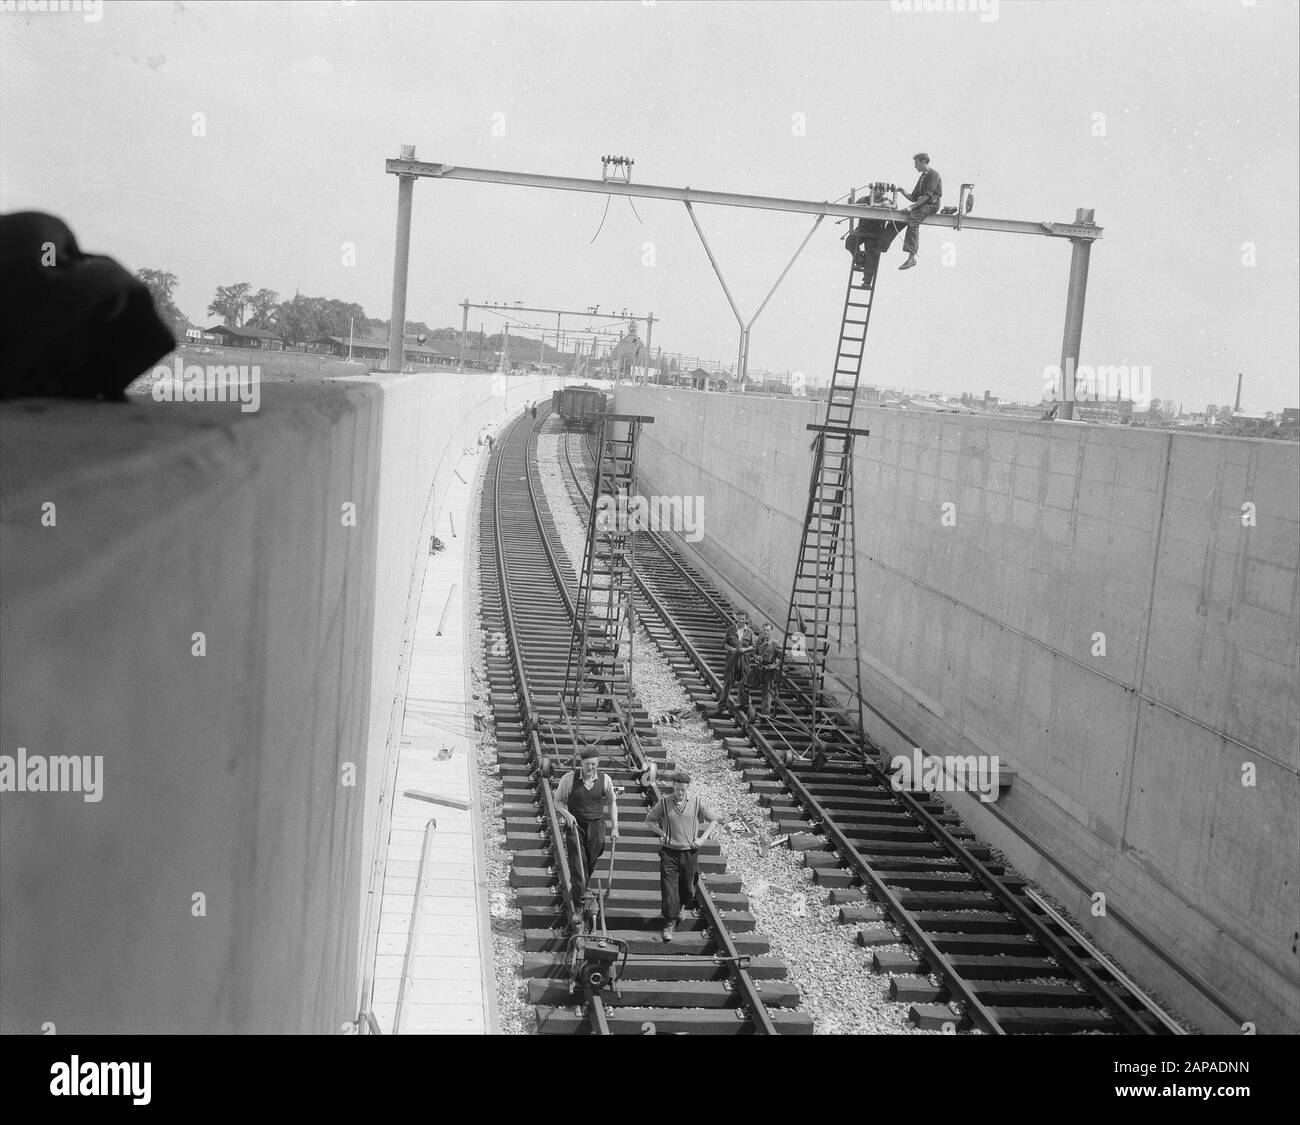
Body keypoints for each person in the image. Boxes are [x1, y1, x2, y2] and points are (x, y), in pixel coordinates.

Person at [644, 772, 717, 942]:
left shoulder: (697, 803)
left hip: (689, 853)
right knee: (669, 889)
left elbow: (713, 820)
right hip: (669, 853)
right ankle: (670, 922)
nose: (680, 793)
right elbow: (649, 821)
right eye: (677, 789)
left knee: (689, 887)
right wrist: (661, 833)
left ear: (687, 788)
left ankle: (682, 906)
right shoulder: (664, 803)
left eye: (683, 790)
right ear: (673, 787)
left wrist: (702, 839)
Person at [555, 747, 619, 913]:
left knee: (590, 863)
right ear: (581, 763)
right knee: (578, 866)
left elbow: (612, 802)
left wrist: (615, 827)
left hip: (597, 827)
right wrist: (567, 815)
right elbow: (558, 801)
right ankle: (578, 905)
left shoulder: (605, 780)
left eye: (594, 764)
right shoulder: (568, 779)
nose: (591, 767)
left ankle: (580, 890)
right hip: (575, 826)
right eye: (588, 764)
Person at [895, 153, 943, 271]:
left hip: (931, 204)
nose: (915, 166)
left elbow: (927, 196)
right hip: (922, 204)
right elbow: (913, 197)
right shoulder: (922, 177)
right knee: (900, 218)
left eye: (916, 163)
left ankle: (912, 257)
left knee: (913, 221)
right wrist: (902, 191)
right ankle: (882, 244)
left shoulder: (933, 175)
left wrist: (911, 207)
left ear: (923, 162)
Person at [714, 610, 754, 717]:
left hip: (744, 661)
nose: (741, 620)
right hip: (731, 661)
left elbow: (753, 646)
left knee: (744, 685)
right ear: (736, 618)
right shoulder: (730, 630)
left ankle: (746, 707)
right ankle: (720, 707)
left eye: (743, 619)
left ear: (746, 620)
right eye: (739, 618)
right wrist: (732, 649)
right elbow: (724, 644)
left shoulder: (749, 632)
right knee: (728, 684)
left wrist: (745, 650)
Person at [747, 622, 780, 723]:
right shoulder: (759, 641)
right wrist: (757, 657)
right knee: (744, 684)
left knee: (767, 693)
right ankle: (746, 705)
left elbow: (782, 658)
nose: (766, 632)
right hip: (759, 668)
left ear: (771, 631)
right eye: (764, 630)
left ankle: (765, 714)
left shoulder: (775, 643)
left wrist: (775, 665)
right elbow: (754, 653)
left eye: (768, 630)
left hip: (769, 671)